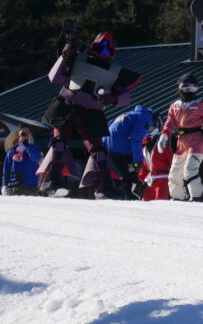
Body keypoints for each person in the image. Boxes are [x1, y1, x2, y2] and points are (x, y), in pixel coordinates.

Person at [36, 28, 142, 198]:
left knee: (96, 149)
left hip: (87, 109)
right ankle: (52, 180)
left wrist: (112, 97)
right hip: (70, 104)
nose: (105, 49)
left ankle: (105, 186)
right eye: (102, 46)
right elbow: (56, 76)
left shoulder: (111, 69)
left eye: (108, 47)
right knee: (61, 142)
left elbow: (125, 96)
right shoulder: (79, 57)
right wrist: (68, 49)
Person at [158, 74, 203, 201]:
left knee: (190, 170)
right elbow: (170, 123)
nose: (189, 91)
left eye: (192, 88)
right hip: (181, 143)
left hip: (196, 142)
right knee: (174, 174)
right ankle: (178, 197)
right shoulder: (175, 106)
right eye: (185, 88)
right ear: (179, 88)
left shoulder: (200, 104)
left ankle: (197, 196)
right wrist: (164, 136)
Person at [103, 104, 154, 193]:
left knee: (120, 172)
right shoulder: (146, 119)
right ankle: (131, 192)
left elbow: (111, 124)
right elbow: (136, 140)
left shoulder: (131, 114)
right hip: (116, 148)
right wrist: (138, 161)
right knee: (128, 175)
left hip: (106, 145)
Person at [137, 120, 173, 201]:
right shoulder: (145, 148)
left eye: (151, 128)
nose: (149, 130)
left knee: (159, 203)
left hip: (163, 180)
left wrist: (175, 177)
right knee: (145, 202)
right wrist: (140, 179)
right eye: (147, 128)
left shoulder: (162, 145)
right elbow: (145, 167)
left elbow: (172, 162)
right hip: (150, 181)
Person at [2, 126, 43, 196]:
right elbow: (6, 169)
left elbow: (37, 158)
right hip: (15, 188)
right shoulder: (12, 151)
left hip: (31, 188)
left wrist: (28, 146)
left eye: (27, 134)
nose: (24, 136)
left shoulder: (35, 149)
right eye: (22, 134)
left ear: (31, 135)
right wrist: (4, 185)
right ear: (19, 136)